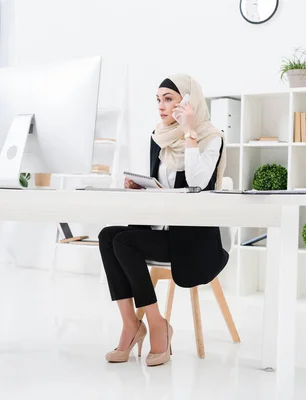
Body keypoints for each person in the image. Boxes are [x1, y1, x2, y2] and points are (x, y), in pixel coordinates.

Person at [99, 74, 229, 366]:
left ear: (188, 102)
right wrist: (141, 185)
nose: (161, 105)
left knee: (124, 242)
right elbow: (164, 188)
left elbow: (197, 183)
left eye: (169, 98)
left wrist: (189, 131)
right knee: (109, 236)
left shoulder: (211, 138)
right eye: (158, 99)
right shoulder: (159, 137)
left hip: (192, 240)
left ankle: (157, 325)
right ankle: (133, 324)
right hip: (161, 228)